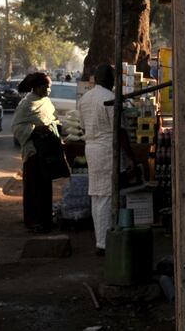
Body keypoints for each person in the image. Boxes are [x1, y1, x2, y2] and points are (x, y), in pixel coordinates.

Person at [11, 72, 60, 233]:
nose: (49, 90)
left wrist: (54, 126)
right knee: (33, 187)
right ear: (38, 87)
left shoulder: (46, 101)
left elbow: (53, 118)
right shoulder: (26, 104)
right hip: (33, 151)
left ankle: (46, 219)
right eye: (46, 87)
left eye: (50, 87)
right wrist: (36, 129)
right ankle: (33, 222)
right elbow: (16, 127)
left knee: (45, 186)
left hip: (46, 150)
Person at [78, 64, 116, 254]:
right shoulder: (110, 97)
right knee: (106, 196)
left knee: (97, 195)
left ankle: (101, 239)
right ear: (109, 79)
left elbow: (82, 126)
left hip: (91, 148)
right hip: (106, 149)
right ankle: (104, 242)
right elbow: (118, 129)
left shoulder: (85, 98)